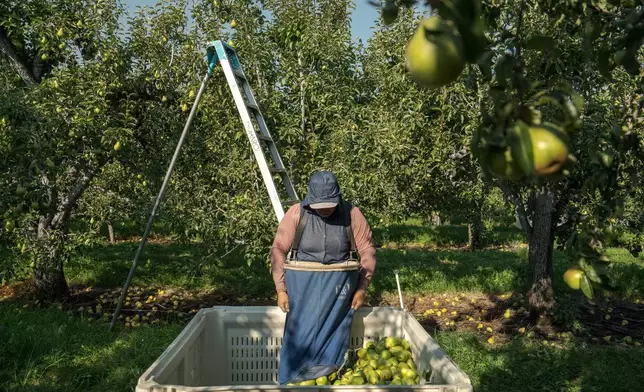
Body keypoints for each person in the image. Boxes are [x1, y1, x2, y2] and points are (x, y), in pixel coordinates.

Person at [270, 170, 377, 385]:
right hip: (303, 286)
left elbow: (367, 250)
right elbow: (278, 249)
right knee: (299, 333)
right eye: (320, 206)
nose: (325, 209)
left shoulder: (351, 214)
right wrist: (281, 289)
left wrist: (362, 287)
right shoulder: (296, 214)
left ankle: (329, 373)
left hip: (338, 288)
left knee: (335, 332)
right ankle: (293, 378)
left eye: (329, 205)